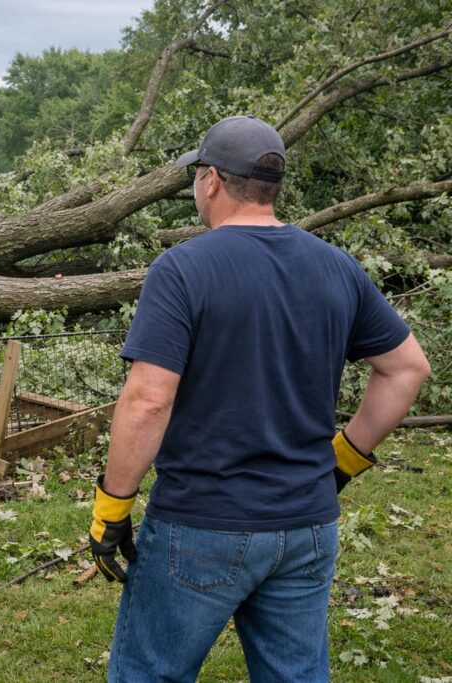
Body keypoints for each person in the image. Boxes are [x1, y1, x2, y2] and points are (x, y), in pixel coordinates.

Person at [88, 115, 431, 682]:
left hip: (203, 524)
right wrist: (343, 457)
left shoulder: (181, 270)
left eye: (196, 174)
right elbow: (407, 368)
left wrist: (113, 506)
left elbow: (148, 401)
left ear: (213, 180)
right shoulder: (337, 268)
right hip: (307, 526)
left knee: (150, 673)